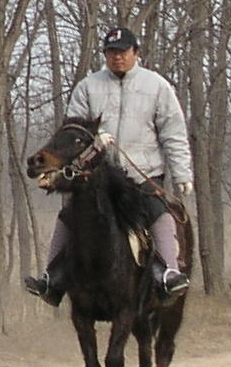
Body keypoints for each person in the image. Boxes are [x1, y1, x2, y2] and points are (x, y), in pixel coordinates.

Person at [24, 25, 193, 304]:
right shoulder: (89, 87)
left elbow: (173, 134)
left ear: (135, 53)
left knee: (159, 212)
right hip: (96, 178)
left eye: (123, 52)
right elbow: (71, 133)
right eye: (111, 52)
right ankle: (51, 279)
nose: (117, 57)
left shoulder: (157, 86)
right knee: (69, 215)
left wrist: (183, 173)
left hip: (143, 176)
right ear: (105, 55)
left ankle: (168, 274)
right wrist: (94, 143)